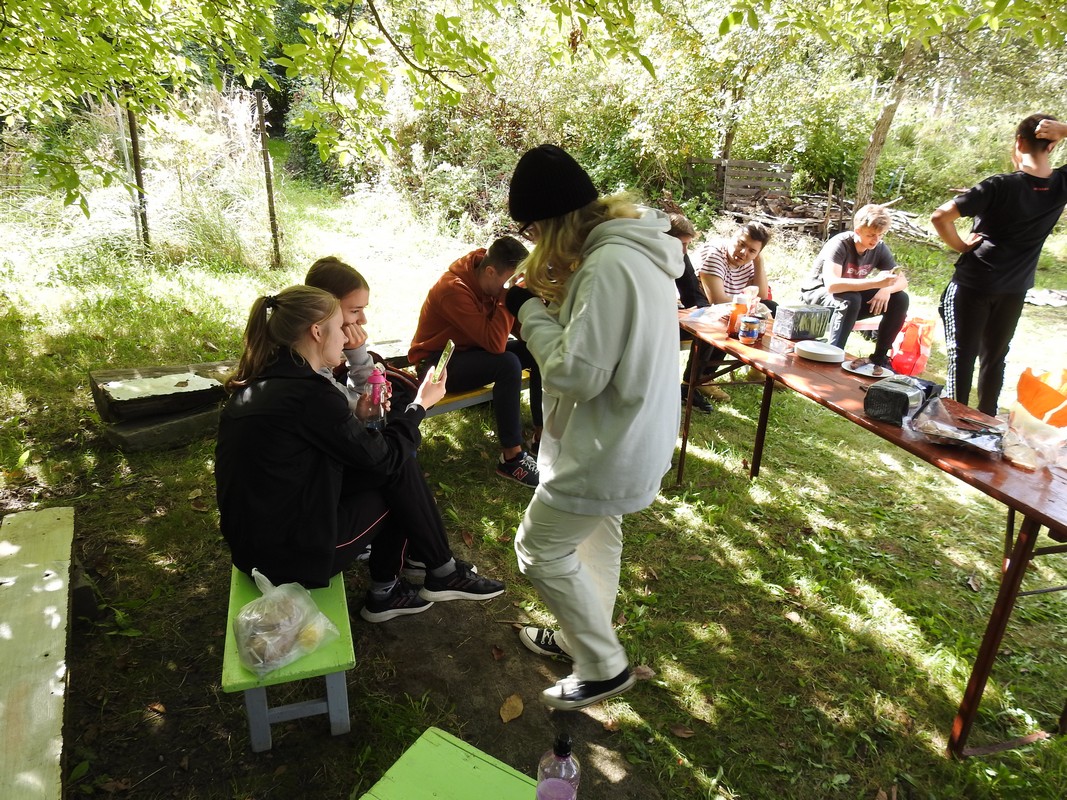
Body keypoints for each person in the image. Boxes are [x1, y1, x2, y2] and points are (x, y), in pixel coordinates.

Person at [504, 144, 682, 710]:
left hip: (609, 443)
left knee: (539, 549)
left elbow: (576, 374)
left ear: (550, 223)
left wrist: (528, 313)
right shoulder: (633, 252)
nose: (533, 243)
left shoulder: (609, 265)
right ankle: (580, 638)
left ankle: (603, 666)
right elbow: (601, 343)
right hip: (633, 433)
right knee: (597, 536)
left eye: (532, 231)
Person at [214, 285, 505, 623]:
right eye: (340, 327)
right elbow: (384, 460)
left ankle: (430, 574)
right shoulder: (310, 394)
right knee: (395, 474)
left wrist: (363, 420)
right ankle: (410, 582)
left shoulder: (269, 380)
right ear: (317, 332)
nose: (346, 337)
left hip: (258, 540)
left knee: (394, 462)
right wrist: (419, 406)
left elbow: (334, 449)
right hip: (287, 558)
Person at [931, 114, 1067, 416]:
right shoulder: (1061, 185)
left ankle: (953, 424)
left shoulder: (999, 185)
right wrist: (1064, 130)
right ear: (1053, 146)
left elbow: (940, 216)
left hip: (973, 285)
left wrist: (961, 245)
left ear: (1019, 142)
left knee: (961, 358)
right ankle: (986, 424)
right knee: (994, 359)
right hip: (1014, 290)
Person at [408, 237, 542, 486]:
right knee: (508, 363)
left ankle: (541, 436)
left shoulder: (491, 280)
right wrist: (507, 297)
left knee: (536, 350)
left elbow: (520, 334)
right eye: (509, 281)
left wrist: (527, 305)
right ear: (490, 272)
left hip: (473, 351)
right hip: (437, 365)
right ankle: (511, 458)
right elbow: (495, 344)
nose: (511, 286)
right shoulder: (453, 289)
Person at [800, 204, 909, 370]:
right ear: (858, 231)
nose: (876, 240)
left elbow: (902, 281)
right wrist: (876, 283)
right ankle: (833, 354)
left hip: (849, 298)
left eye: (880, 235)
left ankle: (879, 358)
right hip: (817, 297)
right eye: (871, 235)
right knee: (851, 298)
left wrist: (886, 289)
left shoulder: (879, 247)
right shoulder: (840, 244)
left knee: (900, 299)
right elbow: (832, 285)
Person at [691, 221, 779, 401]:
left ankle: (757, 367)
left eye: (752, 251)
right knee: (730, 317)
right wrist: (749, 304)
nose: (743, 252)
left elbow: (762, 295)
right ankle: (703, 377)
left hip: (730, 307)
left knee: (771, 308)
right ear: (732, 237)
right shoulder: (714, 254)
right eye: (741, 244)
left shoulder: (750, 260)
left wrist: (759, 261)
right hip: (697, 310)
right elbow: (716, 300)